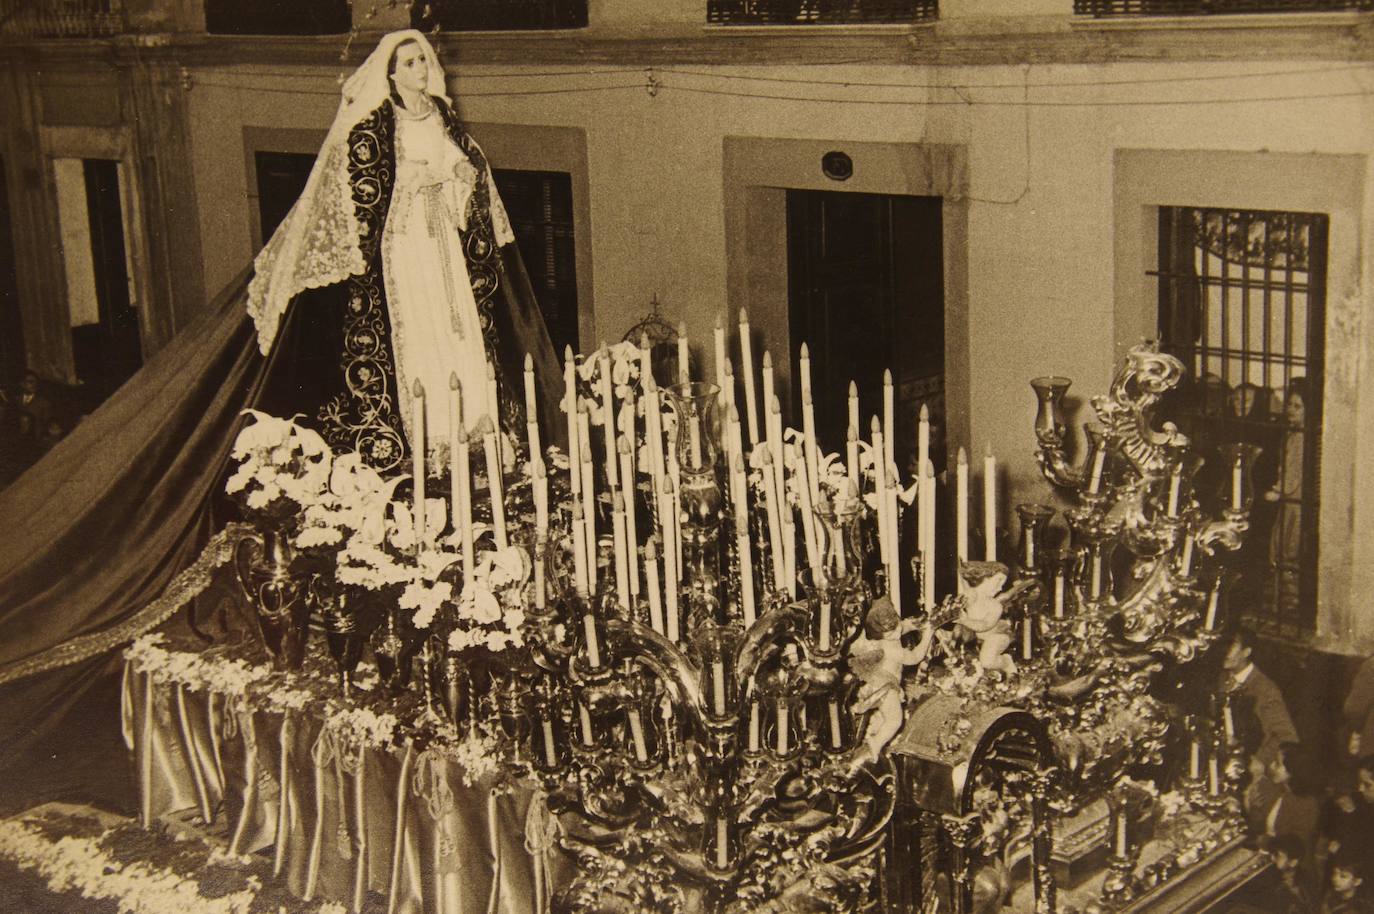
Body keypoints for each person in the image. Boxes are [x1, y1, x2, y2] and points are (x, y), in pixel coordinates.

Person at [245, 30, 561, 474]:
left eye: (422, 60)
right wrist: (410, 180)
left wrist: (458, 174)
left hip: (443, 241)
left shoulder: (441, 116)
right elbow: (365, 186)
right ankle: (430, 439)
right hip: (406, 241)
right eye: (410, 62)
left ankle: (473, 428)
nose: (420, 68)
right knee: (419, 321)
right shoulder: (378, 124)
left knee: (459, 324)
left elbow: (465, 167)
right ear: (391, 74)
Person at [848, 596, 934, 770]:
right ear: (880, 634)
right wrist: (928, 634)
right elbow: (915, 657)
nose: (896, 633)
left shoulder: (889, 633)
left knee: (884, 718)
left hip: (883, 681)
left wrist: (915, 624)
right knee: (895, 719)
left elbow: (901, 628)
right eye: (890, 633)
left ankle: (875, 737)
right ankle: (873, 746)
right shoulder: (889, 648)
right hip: (885, 684)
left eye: (895, 626)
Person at [1219, 627, 1298, 768]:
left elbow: (1286, 736)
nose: (1225, 651)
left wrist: (1260, 760)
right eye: (1224, 645)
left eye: (1232, 646)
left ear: (1246, 652)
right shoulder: (1222, 678)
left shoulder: (1266, 690)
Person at [1263, 378, 1307, 614]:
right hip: (1290, 501)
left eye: (1298, 406)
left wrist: (1279, 490)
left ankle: (1290, 604)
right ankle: (1281, 600)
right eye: (1289, 405)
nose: (1290, 410)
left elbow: (1295, 470)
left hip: (1296, 502)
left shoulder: (1302, 437)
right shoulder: (1293, 433)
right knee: (1279, 546)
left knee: (1289, 549)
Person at [1321, 849, 1370, 914]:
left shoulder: (1361, 906)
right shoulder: (1330, 895)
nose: (1335, 879)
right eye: (1335, 873)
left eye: (1343, 876)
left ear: (1357, 882)